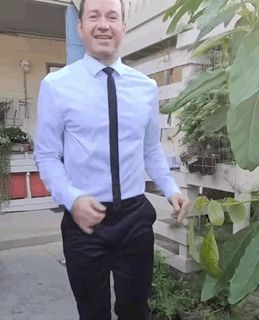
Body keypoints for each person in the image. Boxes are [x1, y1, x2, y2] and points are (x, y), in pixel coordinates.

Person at [34, 0, 189, 319]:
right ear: (80, 27)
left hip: (134, 218)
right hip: (84, 220)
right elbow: (47, 155)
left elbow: (150, 149)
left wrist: (171, 188)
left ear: (123, 28)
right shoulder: (56, 86)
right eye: (94, 16)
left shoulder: (145, 88)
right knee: (92, 312)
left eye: (112, 17)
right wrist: (72, 199)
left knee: (136, 309)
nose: (103, 24)